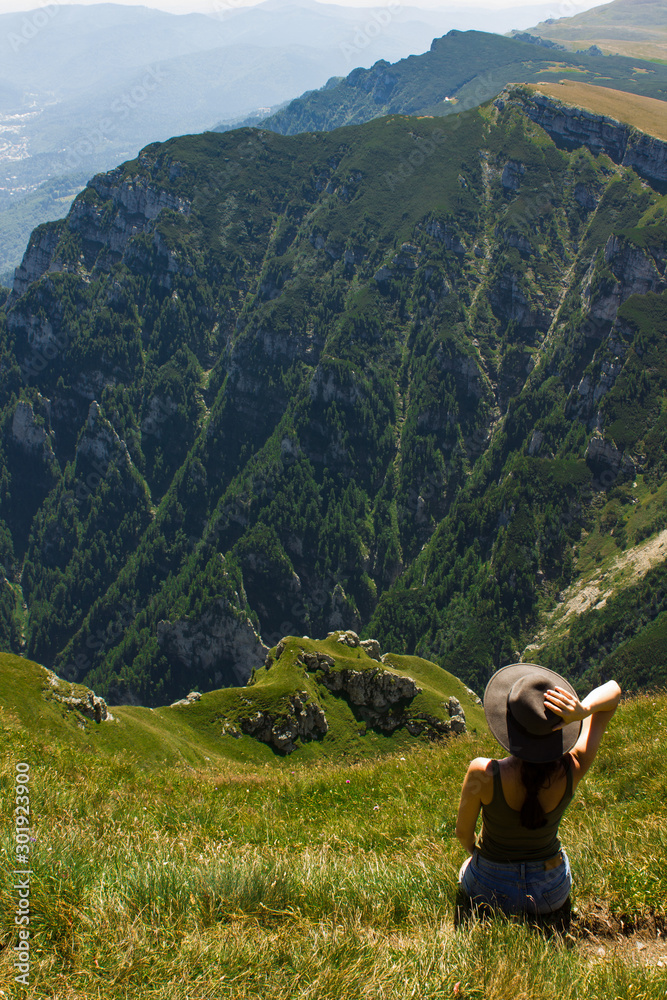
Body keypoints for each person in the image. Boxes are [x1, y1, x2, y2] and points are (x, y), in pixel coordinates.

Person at [455, 662, 621, 918]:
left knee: (467, 867)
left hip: (488, 889)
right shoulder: (573, 768)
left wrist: (477, 858)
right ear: (558, 730)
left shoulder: (483, 773)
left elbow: (464, 834)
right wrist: (583, 710)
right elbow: (613, 691)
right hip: (550, 892)